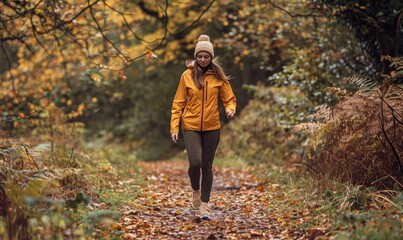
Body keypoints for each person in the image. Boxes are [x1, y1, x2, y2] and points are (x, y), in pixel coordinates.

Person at [170, 34, 237, 220]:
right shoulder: (187, 76)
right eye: (199, 56)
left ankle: (205, 206)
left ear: (211, 57)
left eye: (206, 56)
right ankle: (195, 191)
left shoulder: (218, 76)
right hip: (190, 124)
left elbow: (229, 98)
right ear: (196, 56)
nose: (202, 60)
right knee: (195, 163)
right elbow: (178, 103)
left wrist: (230, 110)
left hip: (212, 126)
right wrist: (174, 127)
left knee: (207, 166)